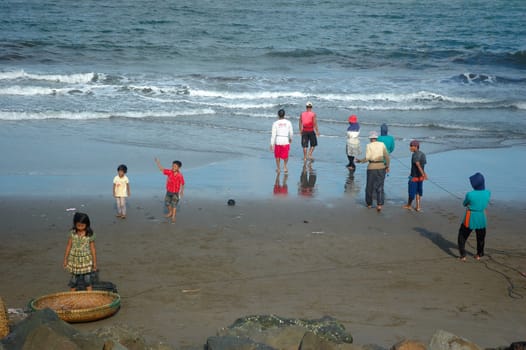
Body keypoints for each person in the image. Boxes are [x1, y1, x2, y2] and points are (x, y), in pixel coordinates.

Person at [457, 172, 491, 262]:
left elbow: (464, 203)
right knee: (481, 237)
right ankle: (479, 254)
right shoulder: (488, 193)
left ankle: (463, 255)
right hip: (481, 216)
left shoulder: (470, 194)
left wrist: (468, 203)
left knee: (462, 236)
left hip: (470, 217)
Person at [356, 131, 390, 211]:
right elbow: (387, 157)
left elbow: (367, 158)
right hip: (381, 167)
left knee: (369, 186)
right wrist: (387, 166)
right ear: (376, 138)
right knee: (380, 186)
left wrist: (360, 161)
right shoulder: (382, 144)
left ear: (370, 138)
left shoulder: (369, 145)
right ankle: (379, 205)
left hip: (371, 167)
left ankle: (369, 204)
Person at [63, 212, 97, 291]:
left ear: (87, 224)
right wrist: (65, 259)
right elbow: (69, 246)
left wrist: (94, 263)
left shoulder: (89, 234)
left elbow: (93, 249)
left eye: (82, 226)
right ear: (75, 224)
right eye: (78, 225)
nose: (80, 227)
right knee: (74, 280)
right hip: (74, 260)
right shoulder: (72, 233)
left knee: (87, 280)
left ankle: (90, 296)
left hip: (86, 260)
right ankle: (71, 297)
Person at [155, 158, 185, 223]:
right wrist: (158, 162)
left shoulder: (180, 176)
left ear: (179, 168)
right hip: (169, 191)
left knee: (174, 205)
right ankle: (170, 212)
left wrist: (182, 191)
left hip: (176, 193)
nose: (173, 167)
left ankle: (173, 216)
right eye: (172, 166)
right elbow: (162, 169)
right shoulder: (169, 172)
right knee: (167, 203)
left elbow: (183, 183)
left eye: (175, 166)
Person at [403, 140, 427, 212]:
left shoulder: (415, 154)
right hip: (420, 178)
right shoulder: (423, 154)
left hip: (414, 177)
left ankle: (409, 205)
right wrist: (424, 174)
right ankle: (418, 207)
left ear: (416, 146)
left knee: (411, 192)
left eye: (411, 146)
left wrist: (423, 174)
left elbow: (418, 164)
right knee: (418, 192)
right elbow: (423, 166)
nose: (410, 148)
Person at [270, 109, 293, 174]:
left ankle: (278, 168)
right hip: (285, 140)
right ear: (284, 115)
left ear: (278, 115)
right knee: (286, 155)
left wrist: (272, 144)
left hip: (278, 140)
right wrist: (290, 138)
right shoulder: (288, 122)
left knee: (277, 155)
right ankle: (285, 166)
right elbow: (291, 132)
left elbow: (273, 135)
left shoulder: (275, 123)